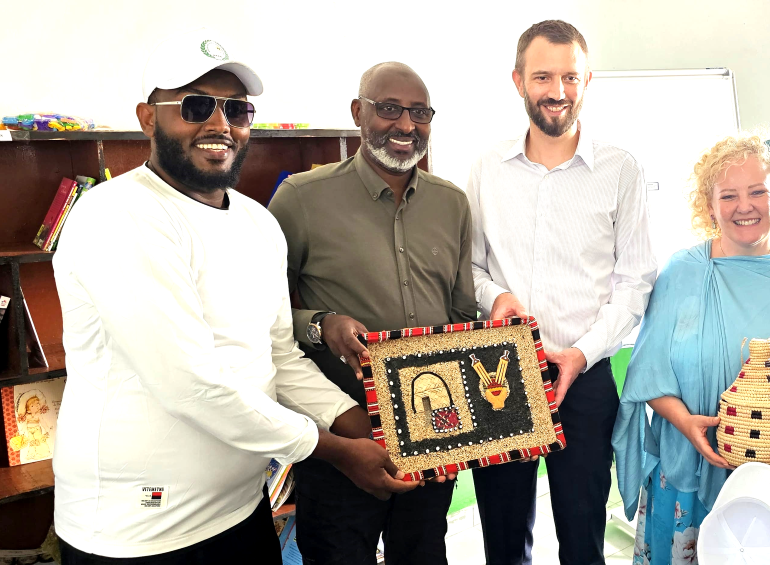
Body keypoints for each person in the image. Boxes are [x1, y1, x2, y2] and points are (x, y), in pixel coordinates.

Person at [52, 29, 415, 564]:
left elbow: (279, 356)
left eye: (237, 110)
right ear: (148, 117)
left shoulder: (257, 222)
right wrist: (337, 452)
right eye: (196, 106)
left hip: (241, 510)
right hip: (138, 533)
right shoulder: (117, 216)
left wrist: (366, 426)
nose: (219, 125)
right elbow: (191, 386)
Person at [268, 61, 476, 565]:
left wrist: (463, 432)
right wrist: (322, 325)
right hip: (343, 435)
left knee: (424, 552)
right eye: (390, 109)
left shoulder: (453, 204)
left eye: (420, 112)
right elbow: (262, 316)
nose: (406, 125)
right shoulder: (300, 198)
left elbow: (461, 316)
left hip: (432, 430)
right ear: (359, 113)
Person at [467, 20, 658, 565]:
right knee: (503, 538)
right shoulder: (485, 168)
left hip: (588, 376)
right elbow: (472, 269)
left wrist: (581, 353)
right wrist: (496, 299)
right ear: (518, 81)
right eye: (543, 76)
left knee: (582, 534)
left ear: (588, 80)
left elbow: (635, 280)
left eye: (570, 77)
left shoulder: (621, 170)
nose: (557, 92)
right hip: (499, 376)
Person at [612, 132, 770, 565]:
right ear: (710, 205)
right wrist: (685, 423)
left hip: (769, 488)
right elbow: (648, 373)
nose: (744, 206)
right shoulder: (682, 272)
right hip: (684, 477)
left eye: (758, 191)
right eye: (728, 195)